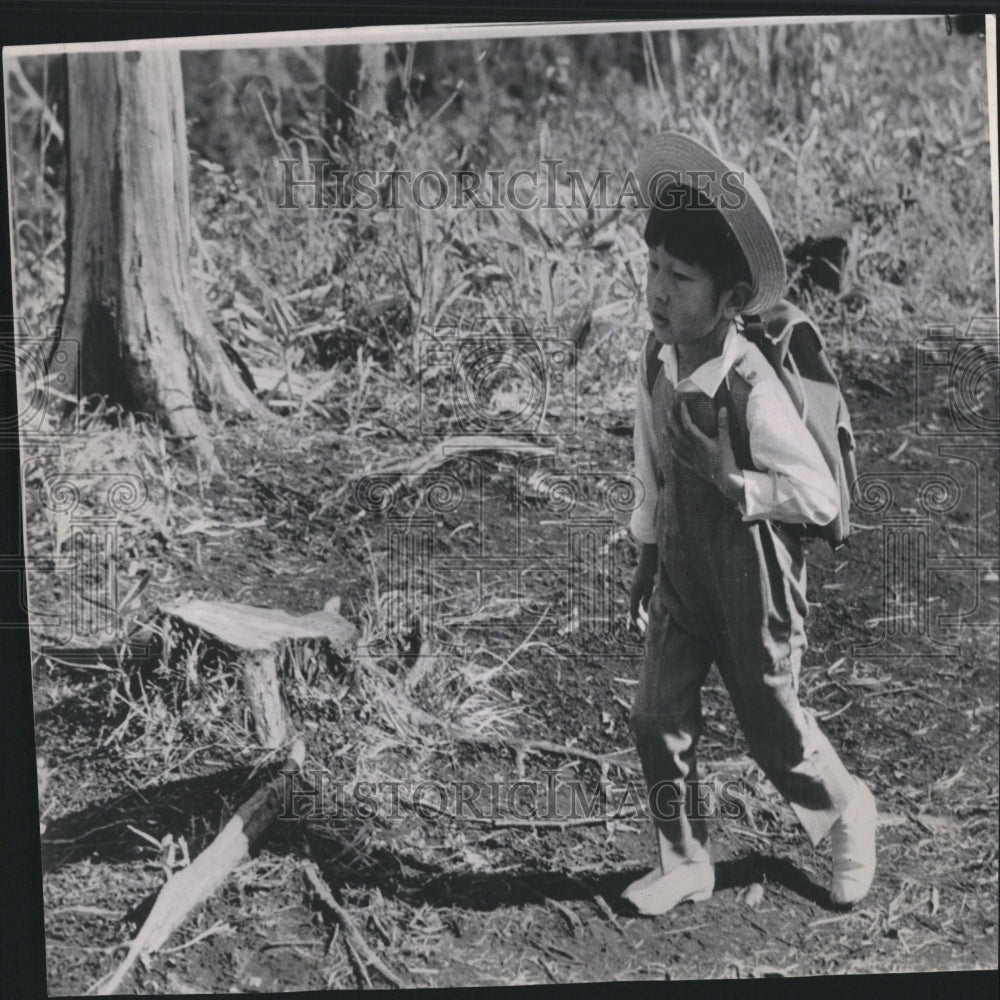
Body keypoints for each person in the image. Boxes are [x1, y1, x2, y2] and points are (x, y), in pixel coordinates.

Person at [624, 132, 876, 916]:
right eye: (653, 269)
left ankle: (846, 811)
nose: (659, 293)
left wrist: (732, 478)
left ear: (732, 300)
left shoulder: (750, 387)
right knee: (654, 716)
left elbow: (819, 500)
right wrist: (644, 555)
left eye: (681, 277)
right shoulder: (656, 360)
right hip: (682, 575)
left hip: (753, 580)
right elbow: (650, 468)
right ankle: (685, 857)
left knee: (772, 730)